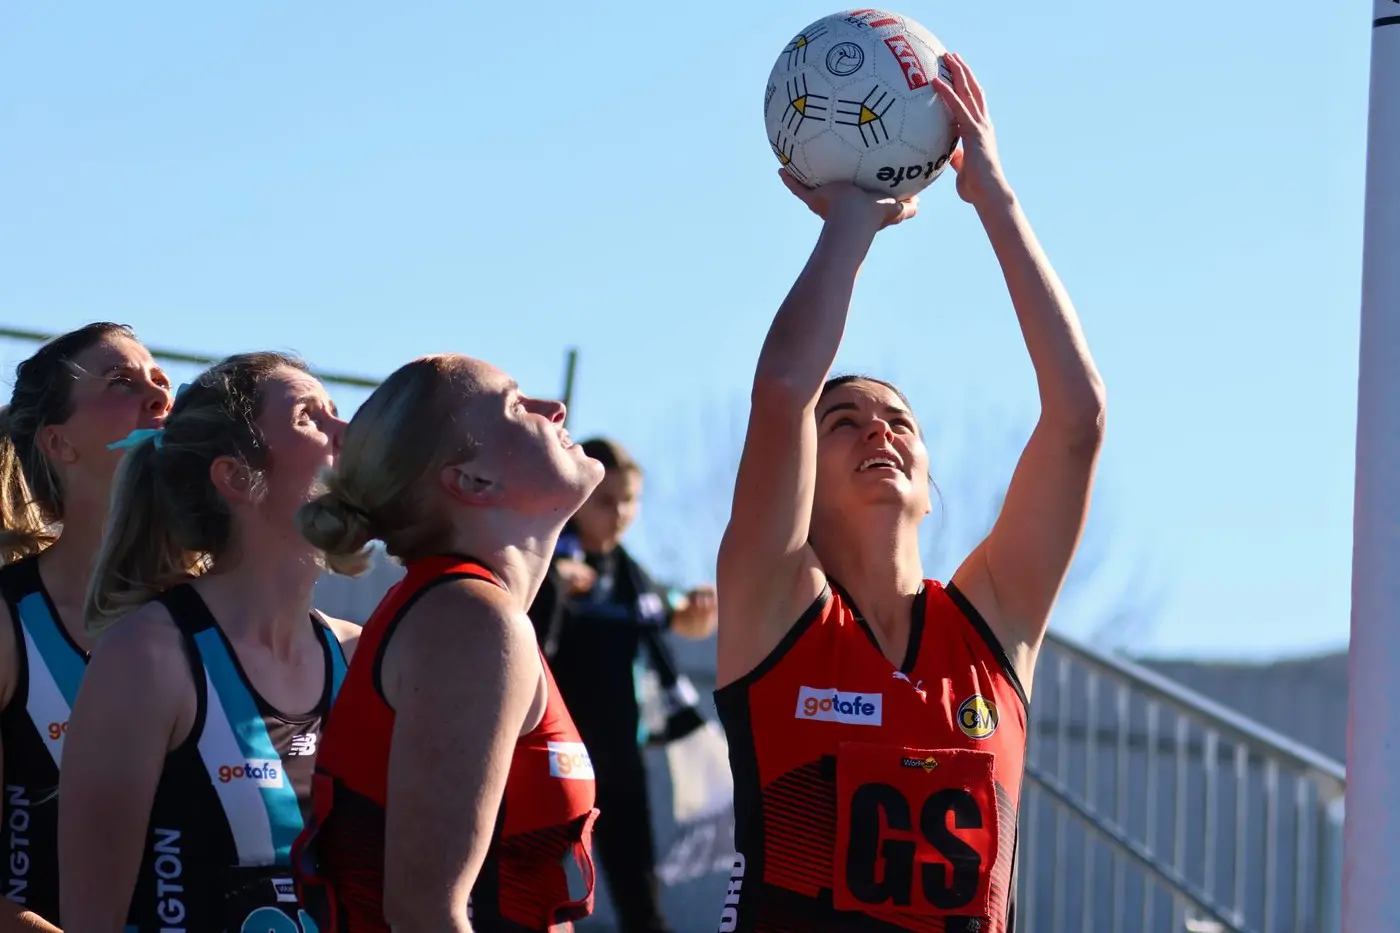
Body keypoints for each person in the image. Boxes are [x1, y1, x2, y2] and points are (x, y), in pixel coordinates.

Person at [712, 55, 1105, 933]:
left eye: (900, 420)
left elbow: (1075, 417)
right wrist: (853, 220)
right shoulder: (773, 603)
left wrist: (993, 198)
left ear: (930, 483)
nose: (880, 430)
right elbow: (781, 392)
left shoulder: (991, 622)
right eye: (845, 418)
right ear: (803, 476)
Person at [290, 355, 603, 933]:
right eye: (515, 404)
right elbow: (425, 915)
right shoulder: (470, 622)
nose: (553, 409)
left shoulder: (463, 611)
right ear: (472, 481)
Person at [56, 351, 361, 933]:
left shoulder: (357, 654)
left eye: (337, 414)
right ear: (236, 478)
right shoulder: (148, 657)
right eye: (309, 418)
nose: (345, 434)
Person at [0, 322, 172, 932]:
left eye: (160, 381)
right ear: (58, 443)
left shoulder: (220, 615)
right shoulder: (10, 622)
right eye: (121, 383)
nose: (159, 398)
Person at [527, 436, 717, 933]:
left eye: (630, 501)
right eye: (607, 501)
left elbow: (681, 618)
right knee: (525, 887)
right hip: (545, 756)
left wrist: (698, 613)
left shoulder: (634, 578)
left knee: (640, 900)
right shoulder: (535, 555)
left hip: (618, 762)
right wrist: (549, 586)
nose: (621, 513)